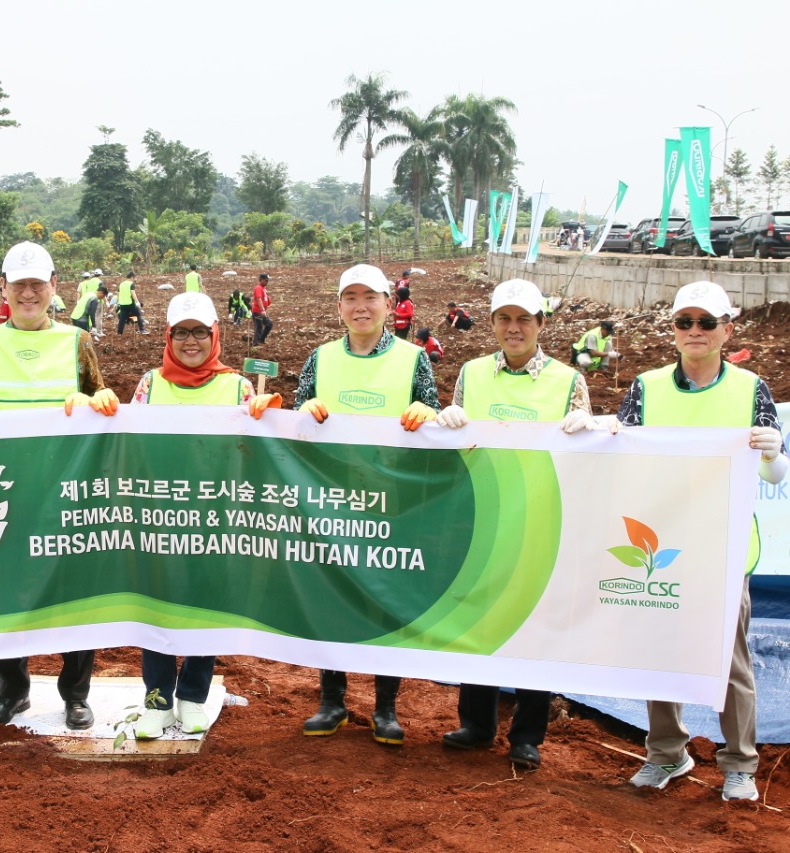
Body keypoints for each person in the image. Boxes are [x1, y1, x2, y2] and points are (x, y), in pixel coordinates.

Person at [618, 281, 787, 802]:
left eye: (706, 323)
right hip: (661, 545)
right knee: (657, 650)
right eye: (684, 322)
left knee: (728, 657)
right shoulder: (645, 388)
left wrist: (775, 451)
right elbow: (618, 454)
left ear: (726, 330)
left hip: (725, 547)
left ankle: (739, 764)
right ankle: (666, 752)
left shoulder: (750, 388)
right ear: (672, 330)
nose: (695, 331)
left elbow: (775, 475)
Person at [434, 278, 608, 770]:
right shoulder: (471, 373)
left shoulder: (568, 381)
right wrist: (449, 420)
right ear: (491, 323)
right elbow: (463, 439)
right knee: (480, 618)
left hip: (541, 521)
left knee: (537, 624)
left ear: (541, 325)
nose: (514, 328)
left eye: (524, 319)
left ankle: (527, 734)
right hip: (486, 517)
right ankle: (477, 723)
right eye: (504, 319)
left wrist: (591, 428)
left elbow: (585, 455)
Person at [0, 241, 119, 731]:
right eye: (18, 284)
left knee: (76, 593)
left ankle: (76, 693)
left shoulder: (77, 341)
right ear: (2, 288)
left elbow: (99, 399)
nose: (28, 293)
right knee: (6, 594)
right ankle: (12, 690)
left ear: (53, 288)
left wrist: (103, 398)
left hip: (67, 493)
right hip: (2, 493)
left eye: (37, 284)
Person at [294, 263, 440, 747]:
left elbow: (432, 416)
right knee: (332, 597)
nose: (360, 306)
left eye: (370, 297)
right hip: (330, 500)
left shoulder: (413, 358)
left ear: (388, 304)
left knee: (385, 602)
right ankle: (332, 701)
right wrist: (304, 413)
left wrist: (428, 412)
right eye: (350, 297)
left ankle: (385, 708)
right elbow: (298, 419)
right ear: (339, 306)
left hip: (390, 504)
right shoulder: (320, 358)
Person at [129, 292, 272, 739]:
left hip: (214, 517)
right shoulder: (150, 385)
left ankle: (193, 694)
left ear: (216, 335)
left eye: (200, 332)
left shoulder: (237, 387)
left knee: (206, 605)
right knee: (156, 607)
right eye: (181, 333)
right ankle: (156, 699)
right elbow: (128, 443)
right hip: (160, 515)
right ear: (169, 338)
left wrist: (267, 422)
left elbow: (254, 453)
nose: (191, 341)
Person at [252, 273, 273, 345]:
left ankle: (261, 339)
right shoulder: (258, 288)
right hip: (258, 311)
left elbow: (264, 298)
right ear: (262, 280)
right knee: (258, 327)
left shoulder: (263, 288)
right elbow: (258, 299)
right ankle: (255, 344)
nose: (267, 282)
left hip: (262, 311)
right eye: (266, 280)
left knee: (269, 324)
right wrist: (263, 310)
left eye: (268, 281)